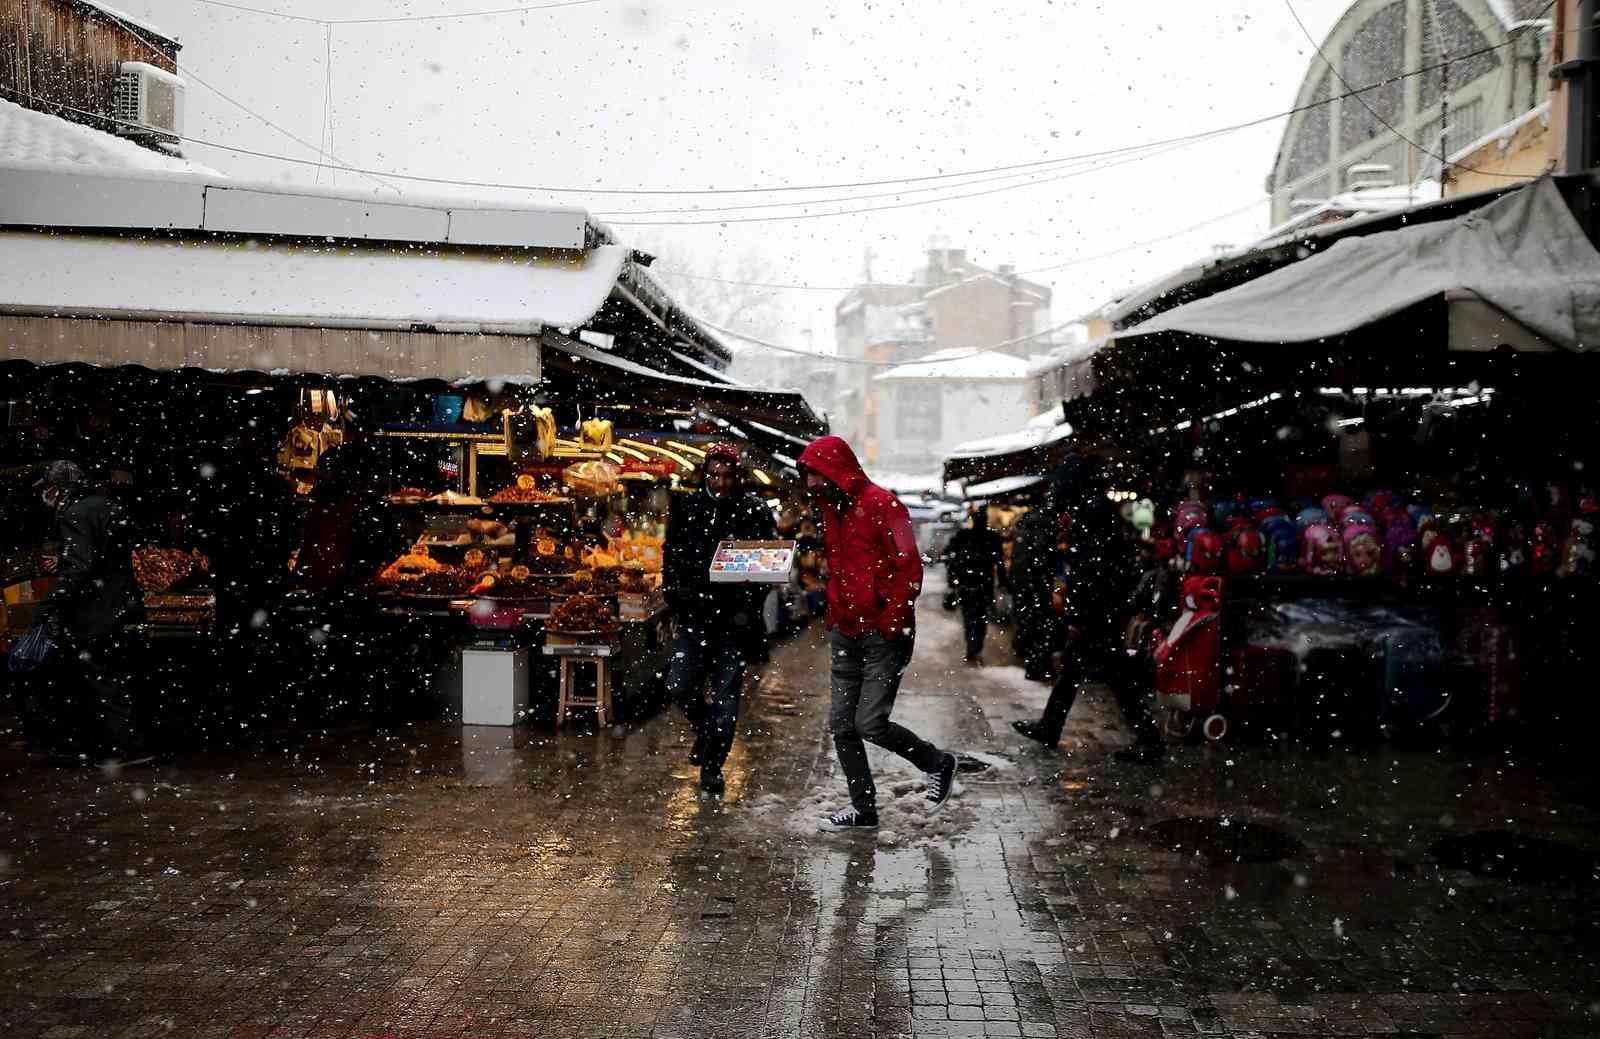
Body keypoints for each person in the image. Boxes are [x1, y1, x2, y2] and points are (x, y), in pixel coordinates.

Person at [796, 435, 958, 829]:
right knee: (841, 725)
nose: (810, 483)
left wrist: (891, 621)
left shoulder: (885, 505)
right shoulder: (829, 509)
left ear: (835, 470)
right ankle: (863, 808)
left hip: (883, 634)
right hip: (846, 631)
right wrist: (836, 609)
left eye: (815, 474)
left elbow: (910, 567)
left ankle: (937, 762)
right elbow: (841, 567)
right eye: (807, 475)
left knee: (870, 723)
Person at [661, 443, 776, 795]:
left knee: (726, 698)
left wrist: (748, 605)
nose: (721, 483)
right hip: (693, 615)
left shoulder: (754, 511)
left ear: (737, 477)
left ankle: (712, 766)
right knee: (679, 685)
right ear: (705, 475)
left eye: (727, 476)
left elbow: (767, 567)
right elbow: (671, 555)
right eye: (714, 475)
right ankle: (707, 730)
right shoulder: (687, 507)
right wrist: (675, 594)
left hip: (734, 622)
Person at [32, 460, 149, 766]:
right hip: (124, 606)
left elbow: (79, 569)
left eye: (48, 488)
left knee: (97, 680)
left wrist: (46, 606)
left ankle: (120, 747)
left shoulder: (74, 514)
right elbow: (114, 553)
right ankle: (126, 743)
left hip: (95, 612)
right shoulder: (107, 507)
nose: (44, 495)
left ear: (58, 488)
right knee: (116, 678)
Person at [943, 506, 1006, 662]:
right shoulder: (992, 537)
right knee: (981, 618)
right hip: (984, 583)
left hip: (967, 583)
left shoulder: (963, 536)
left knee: (969, 617)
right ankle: (976, 646)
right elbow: (999, 562)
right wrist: (1003, 580)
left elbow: (948, 555)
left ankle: (972, 646)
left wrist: (952, 578)